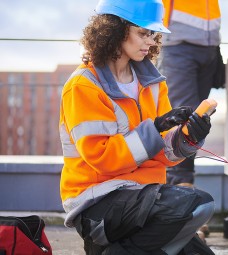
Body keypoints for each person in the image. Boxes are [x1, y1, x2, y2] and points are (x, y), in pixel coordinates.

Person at [58, 0, 215, 254]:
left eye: (153, 34)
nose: (151, 41)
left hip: (145, 197)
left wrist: (188, 137)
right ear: (114, 30)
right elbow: (104, 157)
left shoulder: (153, 84)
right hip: (98, 203)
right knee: (196, 204)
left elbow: (164, 154)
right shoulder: (83, 86)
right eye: (143, 33)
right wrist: (154, 128)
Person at [158, 0, 223, 188]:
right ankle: (179, 184)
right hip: (177, 45)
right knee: (184, 116)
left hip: (209, 45)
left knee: (199, 117)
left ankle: (182, 183)